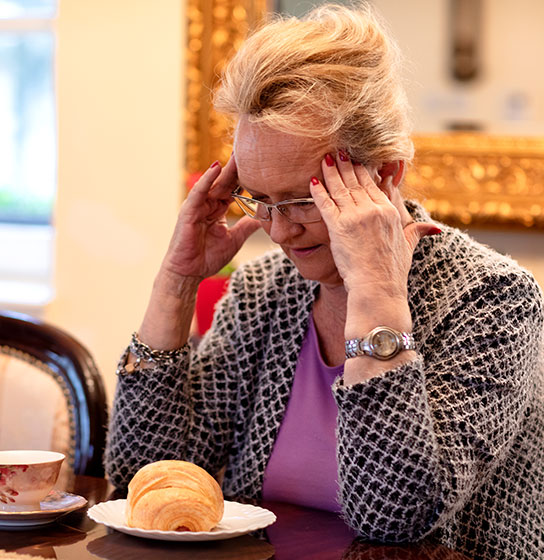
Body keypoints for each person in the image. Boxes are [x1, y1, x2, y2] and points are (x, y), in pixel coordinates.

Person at [104, 4, 544, 559]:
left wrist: (376, 292)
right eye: (259, 200)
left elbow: (394, 515)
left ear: (385, 174)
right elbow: (144, 477)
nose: (279, 231)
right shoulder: (265, 292)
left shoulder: (494, 299)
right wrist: (176, 283)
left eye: (301, 200)